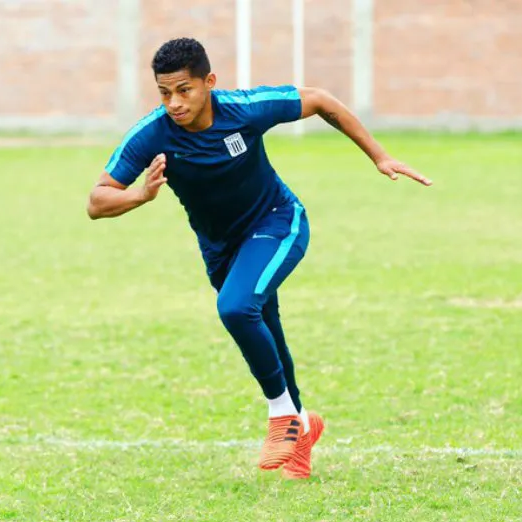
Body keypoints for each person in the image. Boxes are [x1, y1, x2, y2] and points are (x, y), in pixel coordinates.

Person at [87, 37, 432, 479]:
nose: (174, 103)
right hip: (220, 248)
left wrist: (380, 156)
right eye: (164, 93)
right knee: (264, 324)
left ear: (209, 82)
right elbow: (97, 201)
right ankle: (303, 427)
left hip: (277, 223)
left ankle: (282, 415)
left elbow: (321, 101)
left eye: (184, 90)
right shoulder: (152, 134)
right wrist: (140, 194)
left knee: (235, 307)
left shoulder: (245, 109)